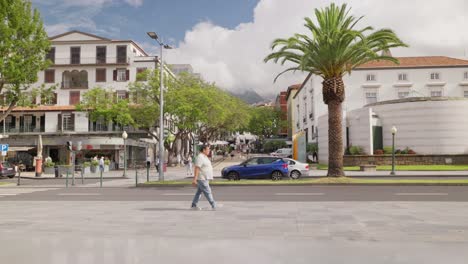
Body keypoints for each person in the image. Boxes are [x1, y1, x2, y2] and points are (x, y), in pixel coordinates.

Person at [191, 144, 216, 210]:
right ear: (204, 150)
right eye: (208, 149)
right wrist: (195, 179)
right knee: (208, 191)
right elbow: (197, 168)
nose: (209, 150)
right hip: (202, 178)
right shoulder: (200, 157)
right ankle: (213, 204)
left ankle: (194, 205)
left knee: (199, 192)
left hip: (205, 178)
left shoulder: (205, 157)